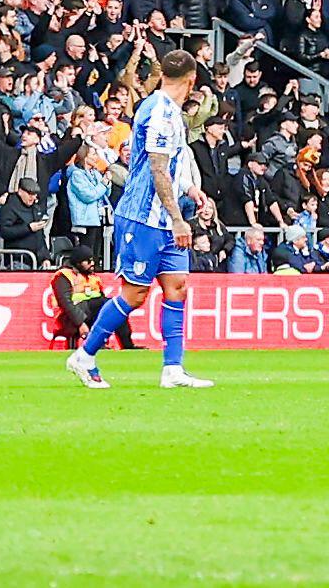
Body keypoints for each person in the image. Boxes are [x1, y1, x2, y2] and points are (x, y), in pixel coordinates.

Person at [68, 44, 217, 394]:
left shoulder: (168, 109)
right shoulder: (161, 112)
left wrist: (191, 188)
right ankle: (85, 356)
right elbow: (156, 166)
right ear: (192, 81)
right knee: (135, 295)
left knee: (176, 288)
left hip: (164, 217)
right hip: (143, 218)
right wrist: (179, 218)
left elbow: (170, 166)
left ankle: (173, 368)